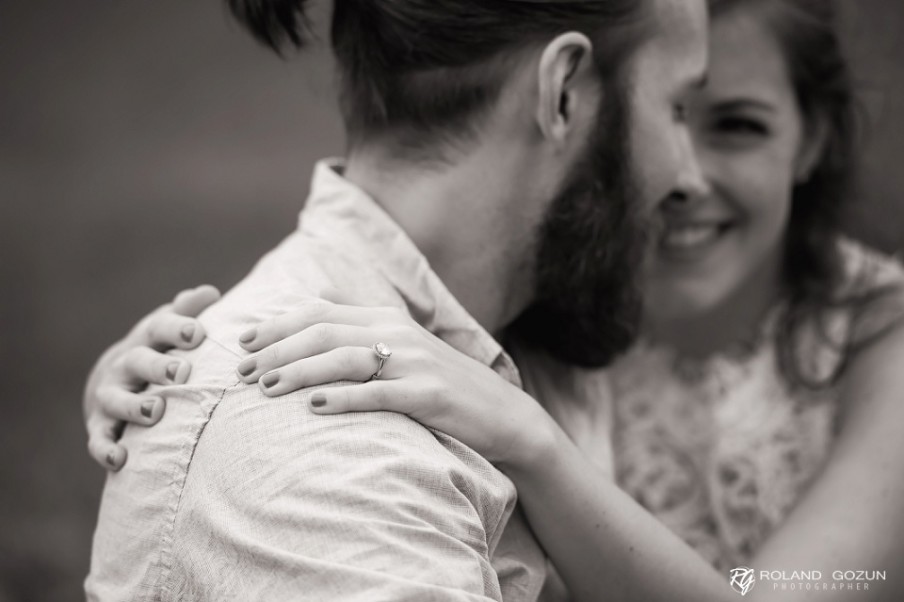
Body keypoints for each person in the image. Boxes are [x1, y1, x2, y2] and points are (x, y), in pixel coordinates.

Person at [86, 0, 904, 600]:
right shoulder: (527, 307)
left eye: (735, 124)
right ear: (563, 94)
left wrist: (533, 444)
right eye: (678, 108)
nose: (687, 180)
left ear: (817, 139)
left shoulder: (564, 297)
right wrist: (193, 384)